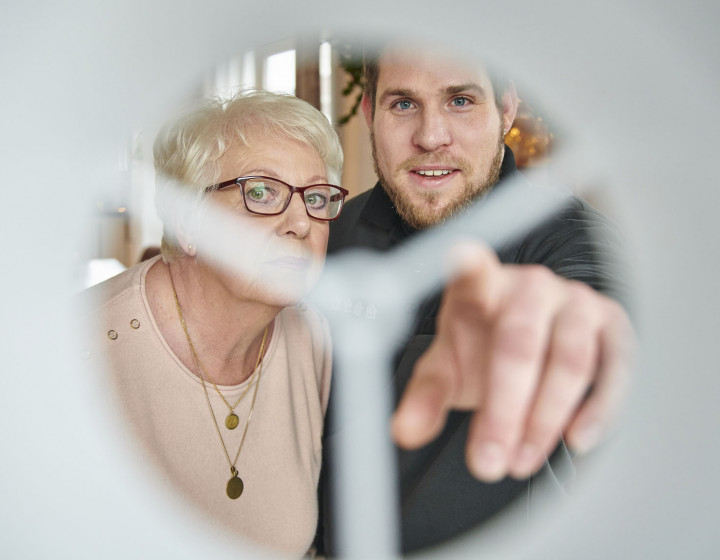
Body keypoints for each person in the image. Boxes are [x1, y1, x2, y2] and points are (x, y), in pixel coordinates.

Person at [318, 42, 634, 553]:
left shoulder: (568, 237)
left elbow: (595, 308)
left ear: (506, 108)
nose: (430, 136)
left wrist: (576, 330)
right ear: (370, 111)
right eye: (403, 104)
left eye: (460, 101)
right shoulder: (335, 232)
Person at [78, 91, 348, 556]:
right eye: (261, 192)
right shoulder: (80, 351)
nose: (301, 223)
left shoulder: (313, 337)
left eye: (317, 197)